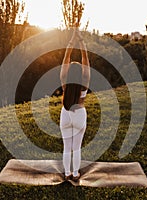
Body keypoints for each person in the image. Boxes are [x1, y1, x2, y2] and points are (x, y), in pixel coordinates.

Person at [60, 29, 90, 182]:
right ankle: (76, 173)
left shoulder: (64, 80)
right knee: (76, 147)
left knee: (67, 146)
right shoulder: (84, 81)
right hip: (79, 115)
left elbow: (66, 58)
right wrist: (81, 41)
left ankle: (67, 173)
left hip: (65, 114)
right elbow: (85, 58)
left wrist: (72, 41)